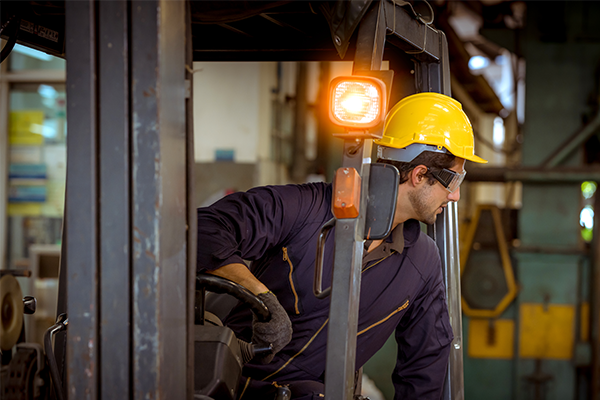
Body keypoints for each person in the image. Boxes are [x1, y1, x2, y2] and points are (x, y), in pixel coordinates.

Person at [196, 92, 487, 400]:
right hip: (222, 376)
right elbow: (205, 228)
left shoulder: (422, 261)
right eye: (454, 182)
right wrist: (261, 297)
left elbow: (425, 365)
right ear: (419, 175)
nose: (454, 196)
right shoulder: (304, 208)